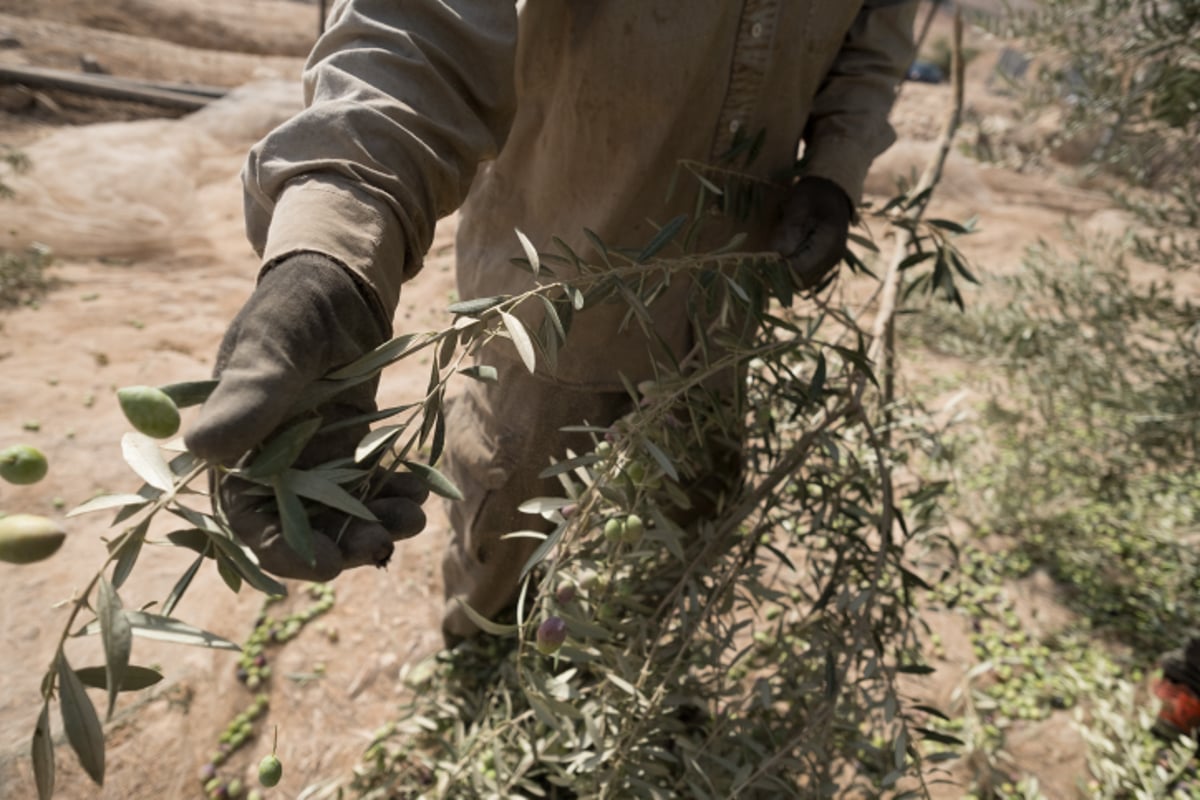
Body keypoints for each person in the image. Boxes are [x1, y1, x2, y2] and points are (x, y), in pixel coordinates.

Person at [183, 1, 920, 645]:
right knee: (507, 536)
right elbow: (416, 28)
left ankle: (631, 677)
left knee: (687, 515)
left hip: (729, 292)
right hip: (553, 296)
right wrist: (336, 245)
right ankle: (479, 661)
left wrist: (836, 164)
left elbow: (875, 25)